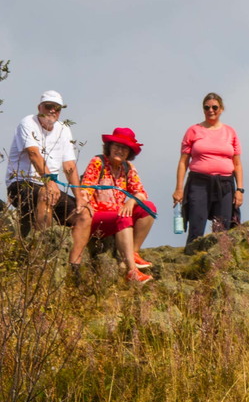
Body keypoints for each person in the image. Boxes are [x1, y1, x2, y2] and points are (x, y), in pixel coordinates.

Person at [69, 128, 156, 283]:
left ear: (129, 152)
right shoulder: (98, 162)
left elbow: (141, 192)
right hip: (95, 216)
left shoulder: (128, 168)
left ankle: (133, 253)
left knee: (148, 208)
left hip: (117, 215)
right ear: (109, 146)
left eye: (124, 148)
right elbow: (86, 190)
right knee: (123, 218)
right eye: (116, 146)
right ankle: (131, 271)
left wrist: (131, 200)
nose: (120, 150)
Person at [5, 90, 87, 237]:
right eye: (48, 106)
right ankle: (42, 247)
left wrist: (79, 197)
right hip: (21, 184)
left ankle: (74, 258)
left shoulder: (64, 129)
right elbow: (33, 154)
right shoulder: (28, 123)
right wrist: (49, 182)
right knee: (46, 193)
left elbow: (69, 166)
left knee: (83, 214)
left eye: (57, 108)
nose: (52, 110)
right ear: (39, 108)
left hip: (49, 185)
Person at [173, 92, 244, 247]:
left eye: (214, 107)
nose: (210, 110)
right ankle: (191, 257)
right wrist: (179, 189)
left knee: (223, 227)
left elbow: (237, 163)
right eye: (206, 107)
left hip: (225, 183)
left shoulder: (230, 132)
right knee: (196, 224)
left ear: (221, 109)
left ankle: (220, 263)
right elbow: (183, 162)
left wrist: (240, 189)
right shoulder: (193, 130)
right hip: (199, 182)